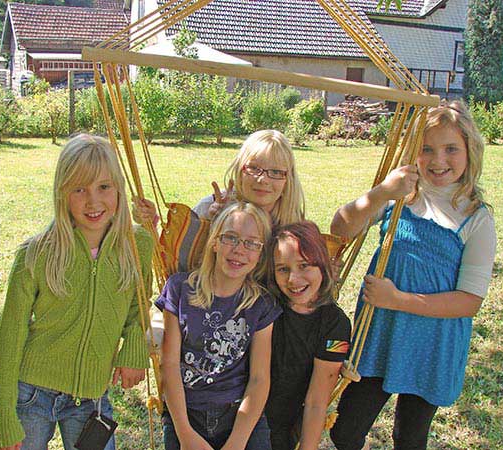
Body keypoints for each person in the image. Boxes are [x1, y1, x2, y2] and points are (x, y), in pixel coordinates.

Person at [329, 100, 497, 450]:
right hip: (380, 334)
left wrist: (398, 299)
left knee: (409, 437)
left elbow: (469, 302)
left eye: (451, 149)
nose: (438, 160)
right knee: (345, 431)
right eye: (427, 149)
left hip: (431, 344)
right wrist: (382, 191)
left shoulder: (475, 217)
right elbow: (340, 229)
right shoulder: (399, 198)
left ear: (470, 151)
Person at [0, 134, 153, 450]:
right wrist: (4, 418)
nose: (93, 201)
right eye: (79, 189)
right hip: (32, 394)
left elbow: (140, 303)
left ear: (119, 189)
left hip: (91, 399)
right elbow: (9, 335)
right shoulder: (36, 253)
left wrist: (134, 349)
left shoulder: (137, 245)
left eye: (103, 187)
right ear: (61, 193)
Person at [156, 202, 282, 450]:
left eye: (251, 243)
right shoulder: (180, 289)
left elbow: (259, 379)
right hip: (186, 412)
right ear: (214, 242)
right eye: (230, 238)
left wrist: (237, 441)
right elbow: (168, 364)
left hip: (239, 415)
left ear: (260, 254)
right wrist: (185, 434)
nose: (239, 250)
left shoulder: (261, 305)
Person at [265, 221, 351, 450]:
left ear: (323, 264)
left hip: (285, 426)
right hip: (244, 416)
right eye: (283, 269)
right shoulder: (266, 305)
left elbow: (316, 402)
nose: (293, 279)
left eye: (304, 265)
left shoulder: (336, 325)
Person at [134, 130, 305, 227]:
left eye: (275, 172)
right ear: (239, 169)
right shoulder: (209, 207)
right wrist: (149, 221)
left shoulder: (293, 221)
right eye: (254, 168)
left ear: (288, 178)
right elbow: (176, 260)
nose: (263, 180)